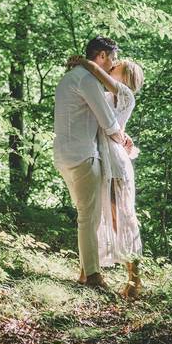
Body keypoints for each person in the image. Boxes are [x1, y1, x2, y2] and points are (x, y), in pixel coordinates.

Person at [53, 36, 133, 290]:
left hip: (63, 155)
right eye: (112, 58)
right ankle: (93, 276)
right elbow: (108, 122)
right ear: (101, 56)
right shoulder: (88, 80)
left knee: (86, 215)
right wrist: (123, 140)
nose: (113, 63)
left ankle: (87, 272)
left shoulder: (69, 78)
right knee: (90, 217)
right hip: (83, 155)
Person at [67, 55, 145, 299]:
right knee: (97, 216)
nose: (110, 70)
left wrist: (83, 61)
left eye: (116, 69)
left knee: (120, 217)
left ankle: (134, 279)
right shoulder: (108, 97)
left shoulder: (126, 95)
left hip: (116, 165)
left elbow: (96, 72)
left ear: (126, 77)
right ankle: (87, 270)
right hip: (103, 159)